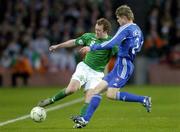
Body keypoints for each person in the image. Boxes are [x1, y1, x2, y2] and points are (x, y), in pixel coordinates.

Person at [71, 5, 152, 128]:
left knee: (111, 94)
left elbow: (112, 42)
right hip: (121, 63)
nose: (118, 21)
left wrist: (92, 47)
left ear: (124, 17)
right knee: (95, 90)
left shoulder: (125, 28)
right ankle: (84, 120)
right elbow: (138, 45)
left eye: (118, 18)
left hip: (124, 65)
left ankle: (143, 99)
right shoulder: (138, 30)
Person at [37, 18, 118, 127]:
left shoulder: (112, 43)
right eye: (96, 29)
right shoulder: (89, 36)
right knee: (71, 89)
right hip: (84, 67)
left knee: (90, 95)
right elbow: (74, 42)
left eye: (99, 30)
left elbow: (122, 55)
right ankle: (50, 100)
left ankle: (81, 120)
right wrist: (58, 46)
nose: (96, 32)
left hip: (97, 74)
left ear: (106, 31)